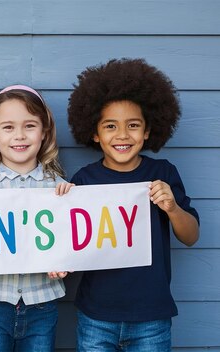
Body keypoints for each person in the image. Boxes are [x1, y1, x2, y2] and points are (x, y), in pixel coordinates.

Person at [67, 58, 200, 351]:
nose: (123, 135)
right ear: (94, 132)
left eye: (133, 125)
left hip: (151, 316)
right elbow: (70, 241)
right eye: (110, 126)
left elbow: (191, 236)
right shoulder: (84, 180)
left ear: (148, 130)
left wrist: (173, 208)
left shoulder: (163, 174)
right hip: (96, 316)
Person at [0, 84, 72, 351]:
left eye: (29, 126)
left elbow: (69, 241)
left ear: (44, 132)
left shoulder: (59, 188)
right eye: (8, 127)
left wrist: (66, 261)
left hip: (42, 301)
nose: (19, 136)